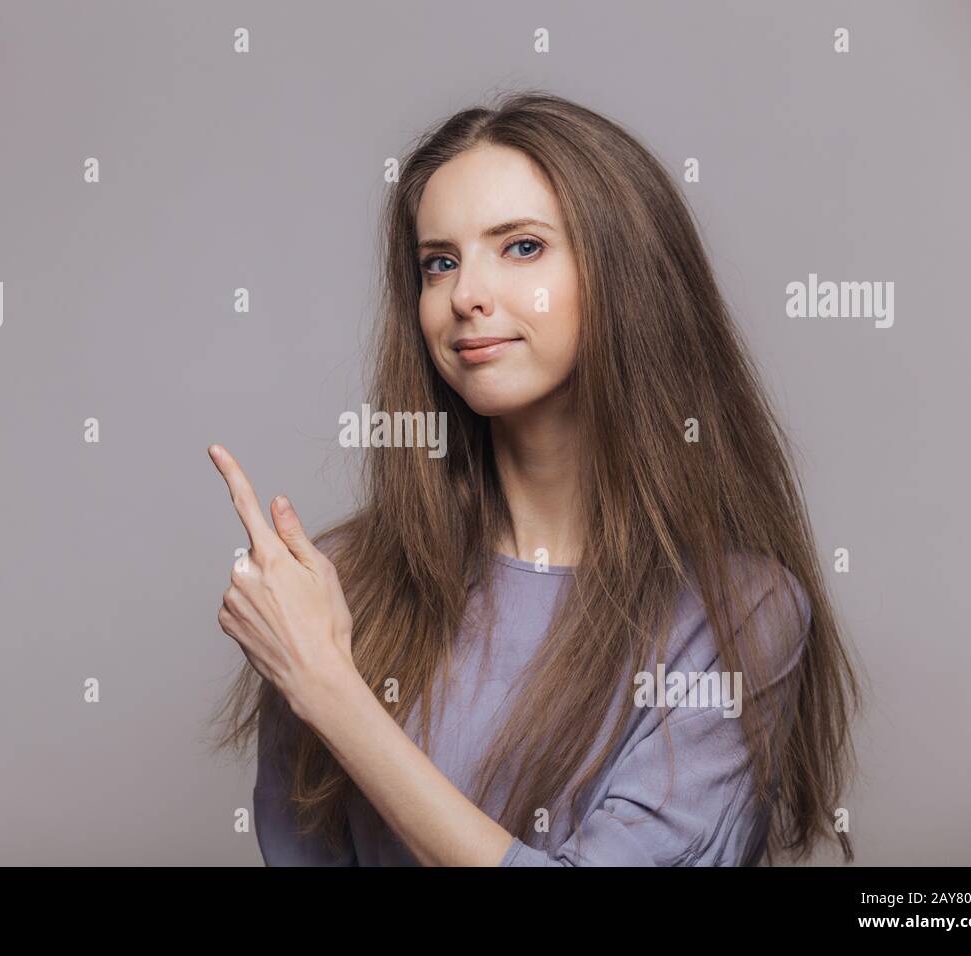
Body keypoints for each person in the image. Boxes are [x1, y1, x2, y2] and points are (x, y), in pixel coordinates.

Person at [207, 90, 861, 866]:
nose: (465, 296)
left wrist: (332, 692)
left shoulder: (736, 612)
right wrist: (310, 667)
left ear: (625, 274)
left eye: (520, 247)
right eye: (439, 263)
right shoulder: (340, 586)